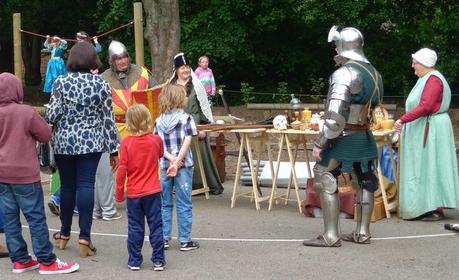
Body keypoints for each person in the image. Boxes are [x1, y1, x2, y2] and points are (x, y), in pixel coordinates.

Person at [303, 26, 383, 247]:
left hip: (344, 136)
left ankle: (331, 235)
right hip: (365, 136)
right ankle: (362, 232)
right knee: (364, 181)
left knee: (323, 174)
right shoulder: (374, 73)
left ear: (342, 46)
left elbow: (335, 117)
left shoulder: (344, 72)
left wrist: (320, 143)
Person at [45, 42, 120, 257]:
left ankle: (64, 233)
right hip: (92, 142)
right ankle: (85, 237)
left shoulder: (60, 82)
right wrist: (114, 149)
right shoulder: (102, 84)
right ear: (92, 60)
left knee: (68, 187)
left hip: (64, 142)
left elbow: (52, 115)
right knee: (87, 184)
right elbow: (108, 120)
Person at [0, 72, 79, 274]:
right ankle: (46, 260)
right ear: (17, 90)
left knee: (9, 219)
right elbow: (45, 135)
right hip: (25, 174)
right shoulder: (25, 112)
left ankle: (20, 259)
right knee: (35, 218)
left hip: (2, 174)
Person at [93, 40, 158, 221]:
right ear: (111, 61)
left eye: (124, 57)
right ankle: (108, 199)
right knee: (115, 166)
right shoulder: (103, 79)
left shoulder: (142, 73)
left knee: (143, 163)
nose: (122, 61)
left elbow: (156, 94)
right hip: (117, 128)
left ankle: (142, 194)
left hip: (142, 127)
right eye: (118, 59)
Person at [394, 48, 459, 221]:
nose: (413, 66)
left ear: (424, 64)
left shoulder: (433, 80)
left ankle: (434, 206)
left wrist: (403, 119)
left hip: (433, 128)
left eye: (415, 63)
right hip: (429, 126)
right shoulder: (427, 79)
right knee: (426, 165)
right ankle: (425, 204)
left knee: (432, 164)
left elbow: (426, 106)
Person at [115, 104, 166, 271]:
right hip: (153, 190)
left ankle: (135, 259)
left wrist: (119, 191)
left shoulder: (126, 143)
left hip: (135, 192)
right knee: (156, 225)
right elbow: (159, 154)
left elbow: (122, 170)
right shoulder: (156, 140)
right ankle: (158, 259)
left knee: (135, 226)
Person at [170, 53, 224, 195]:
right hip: (176, 125)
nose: (186, 70)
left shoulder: (196, 85)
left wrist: (203, 128)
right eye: (182, 68)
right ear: (176, 70)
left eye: (187, 67)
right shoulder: (171, 86)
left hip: (194, 123)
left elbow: (203, 109)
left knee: (198, 152)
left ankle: (202, 183)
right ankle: (180, 184)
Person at [155, 84, 200, 251]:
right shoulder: (186, 119)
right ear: (179, 99)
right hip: (183, 165)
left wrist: (170, 159)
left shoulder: (158, 121)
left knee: (164, 203)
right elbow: (188, 140)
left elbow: (158, 144)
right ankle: (185, 240)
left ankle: (164, 238)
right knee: (184, 202)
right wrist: (178, 160)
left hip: (164, 165)